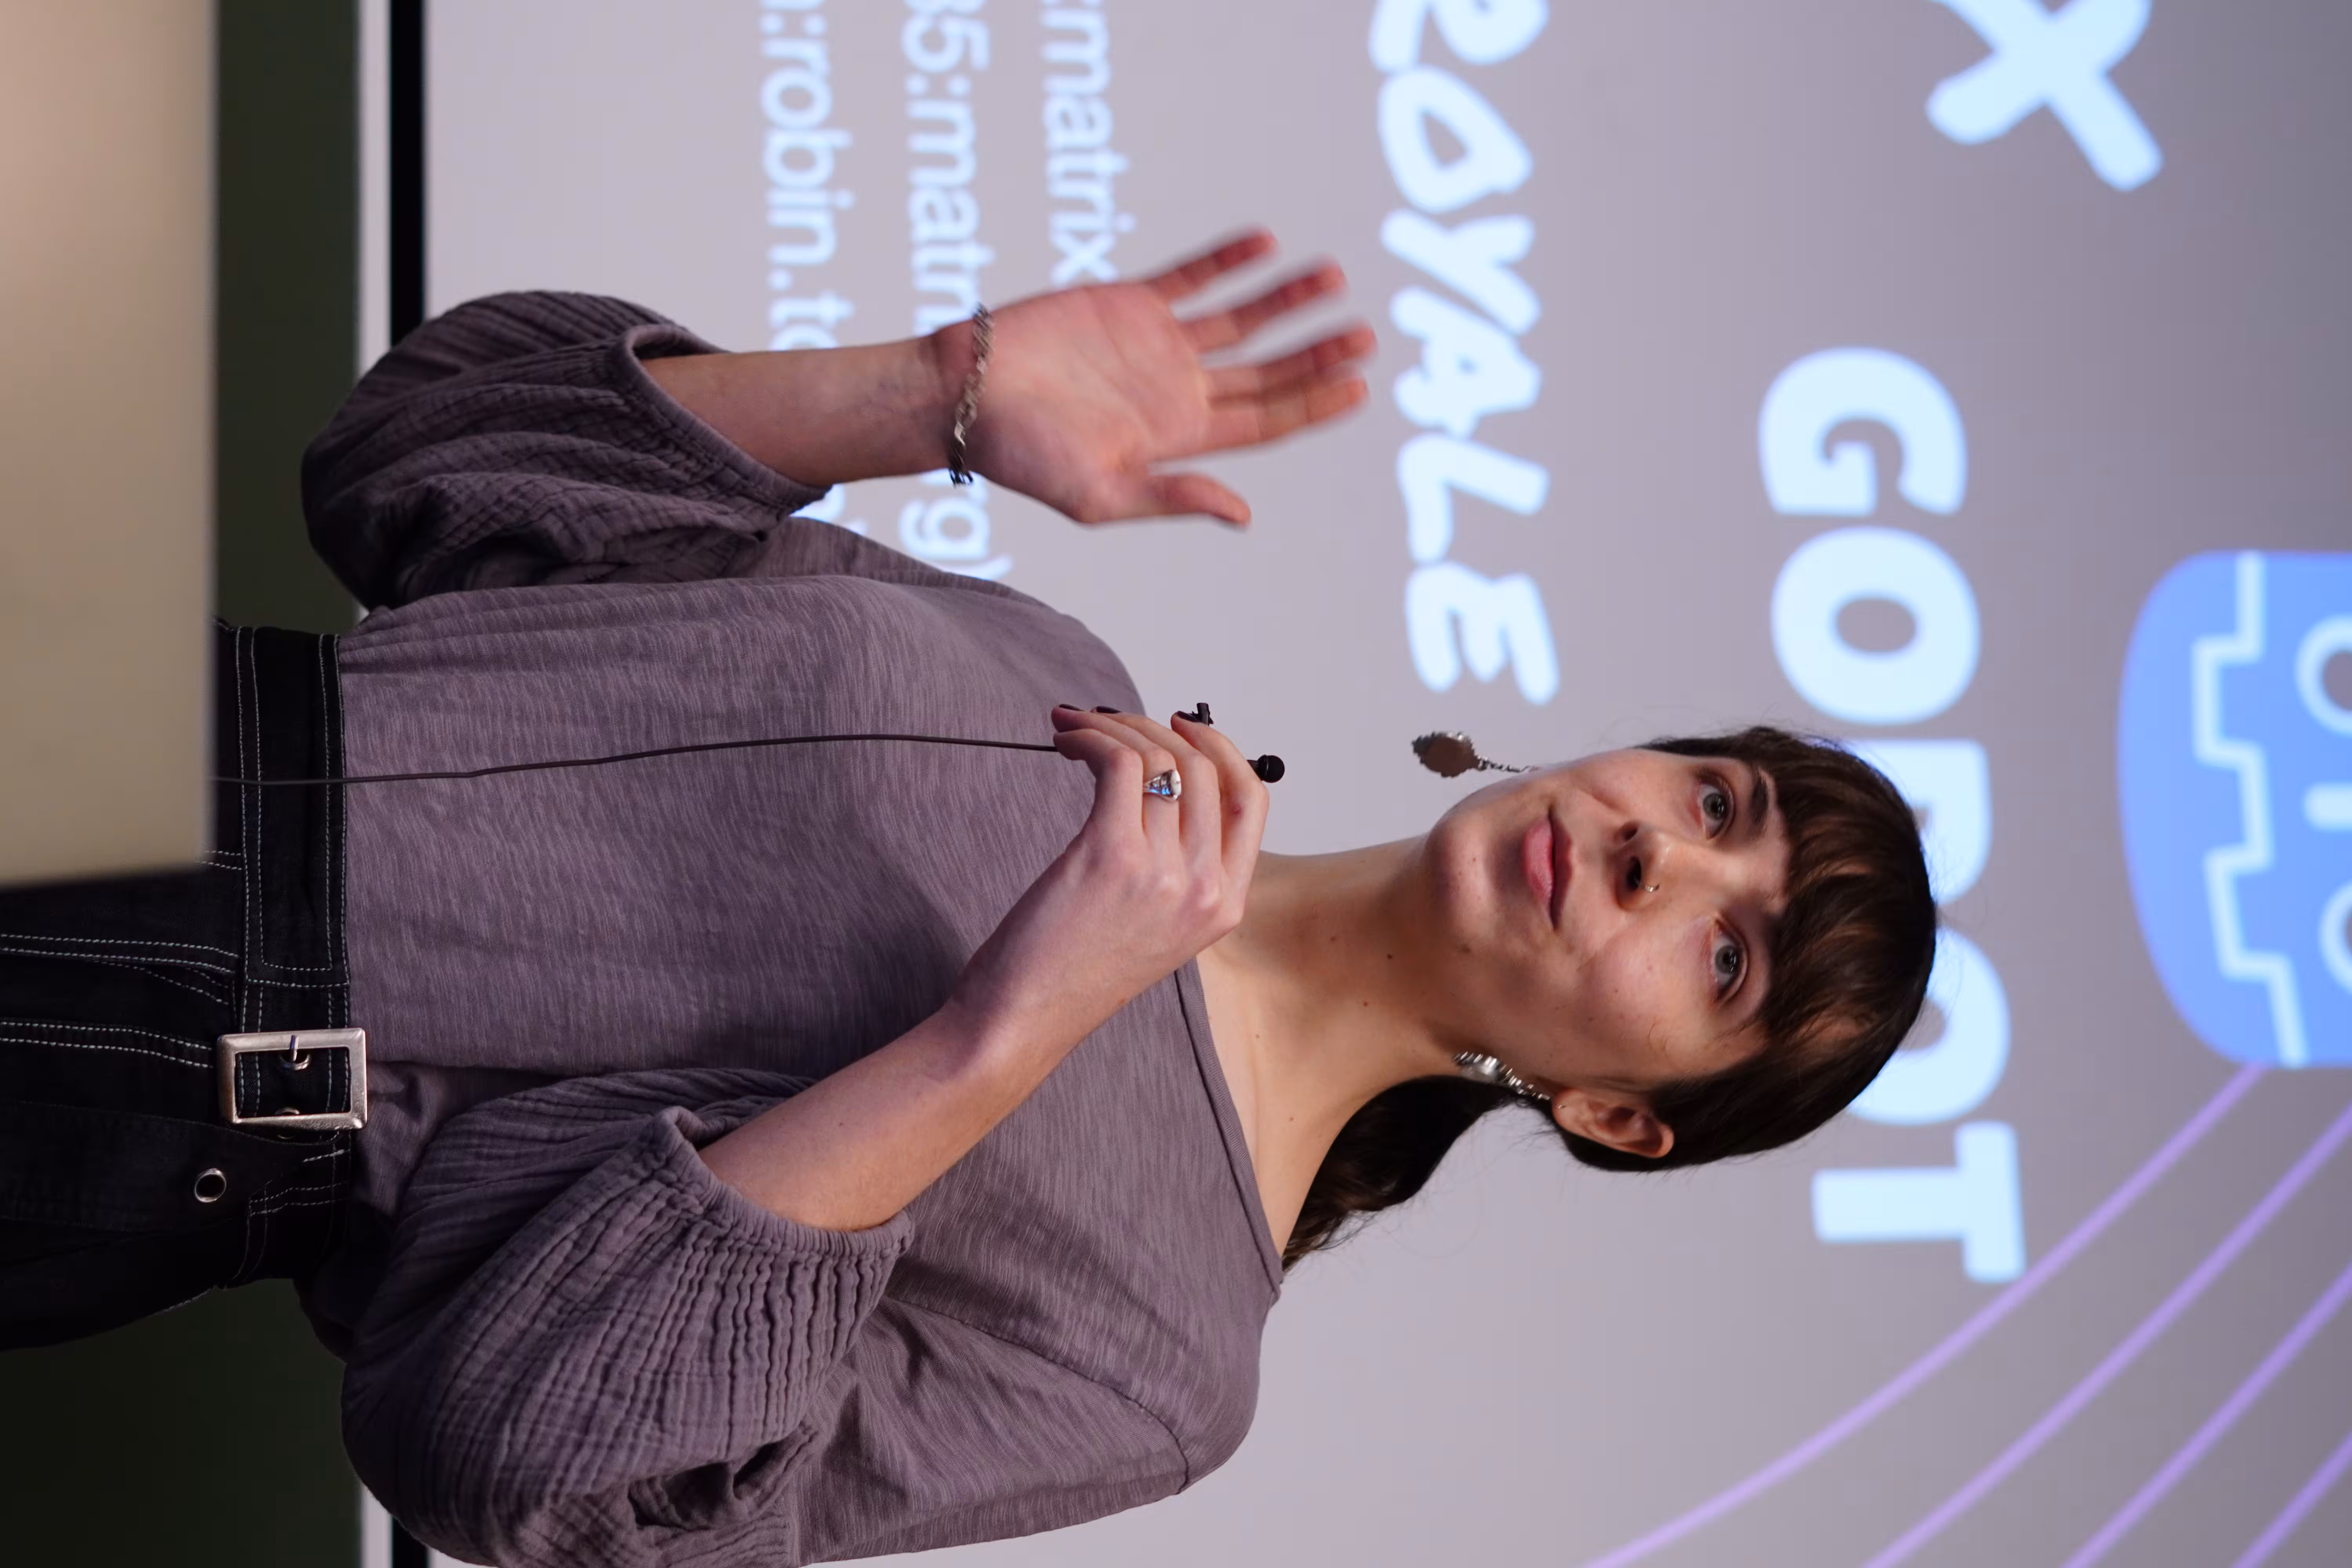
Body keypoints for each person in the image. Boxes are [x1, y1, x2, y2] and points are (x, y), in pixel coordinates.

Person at [0, 230, 1934, 1566]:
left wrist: (1002, 1034)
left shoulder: (1163, 1362)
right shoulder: (1060, 660)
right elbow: (412, 463)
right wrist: (930, 393)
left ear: (1621, 1115)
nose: (1653, 851)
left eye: (1723, 943)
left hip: (134, 1071)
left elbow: (517, 1464)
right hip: (111, 706)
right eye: (1711, 798)